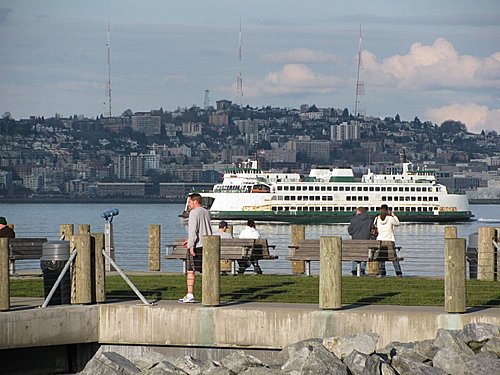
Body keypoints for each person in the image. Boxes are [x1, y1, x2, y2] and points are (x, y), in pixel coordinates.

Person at [178, 193, 212, 303]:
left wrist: (191, 245)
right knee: (206, 270)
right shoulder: (206, 212)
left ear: (195, 201)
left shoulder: (193, 213)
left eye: (190, 202)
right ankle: (209, 292)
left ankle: (190, 294)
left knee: (190, 270)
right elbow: (203, 228)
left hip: (197, 245)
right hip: (207, 244)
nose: (188, 204)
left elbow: (193, 231)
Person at [374, 204, 403, 277]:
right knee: (394, 258)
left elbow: (375, 226)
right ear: (387, 211)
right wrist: (394, 215)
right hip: (390, 240)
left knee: (382, 258)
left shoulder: (377, 218)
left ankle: (382, 273)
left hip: (380, 240)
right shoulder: (390, 218)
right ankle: (398, 273)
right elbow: (397, 223)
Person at [348, 207, 371, 275]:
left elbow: (350, 231)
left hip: (355, 242)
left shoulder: (354, 220)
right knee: (365, 253)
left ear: (359, 212)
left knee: (355, 253)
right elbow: (372, 231)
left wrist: (354, 233)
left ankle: (354, 270)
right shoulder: (369, 220)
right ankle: (362, 270)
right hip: (366, 242)